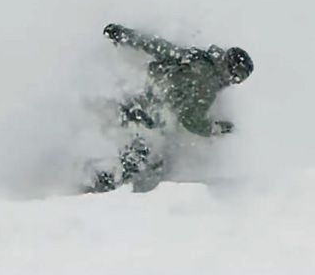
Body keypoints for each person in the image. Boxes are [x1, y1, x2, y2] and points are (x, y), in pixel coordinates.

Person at [89, 23, 254, 192]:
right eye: (236, 78)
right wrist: (215, 128)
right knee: (143, 160)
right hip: (150, 116)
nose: (232, 82)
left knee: (147, 156)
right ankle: (98, 183)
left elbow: (159, 47)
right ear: (230, 70)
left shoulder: (197, 58)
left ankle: (100, 174)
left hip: (140, 97)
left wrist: (126, 36)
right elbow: (190, 120)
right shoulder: (207, 83)